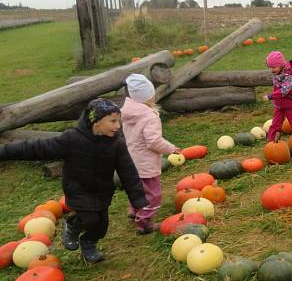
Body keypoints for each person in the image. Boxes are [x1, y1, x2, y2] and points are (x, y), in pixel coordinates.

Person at [0, 98, 147, 262]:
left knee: (101, 227)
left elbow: (128, 172)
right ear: (96, 121)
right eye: (113, 121)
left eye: (119, 121)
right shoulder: (72, 139)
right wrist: (5, 151)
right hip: (78, 189)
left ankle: (88, 242)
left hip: (102, 191)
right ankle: (72, 225)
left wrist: (138, 198)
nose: (118, 126)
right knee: (89, 218)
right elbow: (38, 148)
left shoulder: (116, 144)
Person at [121, 74, 181, 234]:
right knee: (153, 194)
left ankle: (133, 210)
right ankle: (144, 222)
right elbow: (153, 141)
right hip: (145, 163)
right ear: (148, 96)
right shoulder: (149, 116)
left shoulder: (127, 113)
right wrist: (171, 148)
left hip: (131, 160)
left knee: (137, 188)